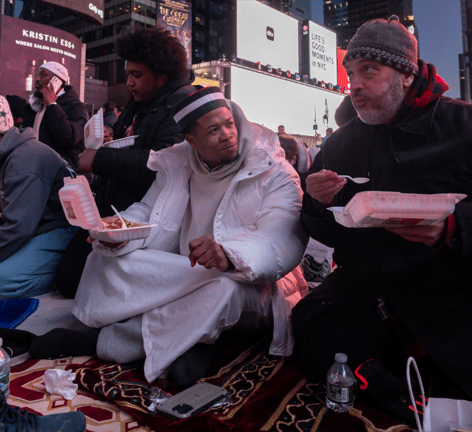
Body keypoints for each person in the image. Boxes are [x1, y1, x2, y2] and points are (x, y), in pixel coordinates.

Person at [290, 16, 472, 428]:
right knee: (310, 329)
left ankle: (415, 372)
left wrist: (454, 228)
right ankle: (380, 380)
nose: (354, 85)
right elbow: (324, 231)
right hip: (369, 286)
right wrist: (315, 202)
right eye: (351, 74)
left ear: (407, 74)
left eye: (369, 71)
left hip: (458, 288)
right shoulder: (341, 143)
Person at [30, 87, 307, 386]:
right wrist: (119, 230)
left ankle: (106, 341)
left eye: (229, 124)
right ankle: (193, 340)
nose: (228, 134)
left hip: (249, 277)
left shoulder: (274, 170)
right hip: (186, 268)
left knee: (222, 290)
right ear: (191, 140)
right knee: (106, 256)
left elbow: (281, 239)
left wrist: (229, 254)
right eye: (213, 130)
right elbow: (148, 210)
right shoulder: (177, 163)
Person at [56, 26, 197, 298]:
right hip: (114, 209)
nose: (130, 83)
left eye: (137, 75)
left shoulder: (179, 105)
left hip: (145, 219)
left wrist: (99, 159)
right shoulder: (142, 101)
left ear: (162, 74)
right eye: (128, 74)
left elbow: (164, 165)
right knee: (68, 278)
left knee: (74, 282)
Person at [0, 94, 78, 299]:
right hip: (38, 226)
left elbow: (19, 228)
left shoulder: (24, 159)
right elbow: (23, 211)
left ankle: (71, 273)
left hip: (65, 230)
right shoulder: (0, 156)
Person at [23, 61, 88, 170]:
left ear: (56, 81)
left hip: (61, 174)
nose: (38, 79)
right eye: (38, 75)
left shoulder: (76, 107)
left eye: (43, 75)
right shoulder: (36, 105)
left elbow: (68, 139)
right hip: (37, 169)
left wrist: (52, 105)